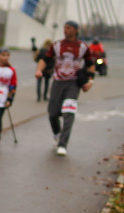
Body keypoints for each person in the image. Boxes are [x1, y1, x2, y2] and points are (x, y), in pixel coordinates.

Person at [35, 21, 95, 157]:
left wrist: (90, 82)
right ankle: (57, 133)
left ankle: (63, 144)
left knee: (69, 113)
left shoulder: (83, 47)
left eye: (68, 28)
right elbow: (44, 59)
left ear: (75, 30)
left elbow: (90, 65)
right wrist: (39, 70)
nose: (65, 30)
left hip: (73, 84)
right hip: (58, 82)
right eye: (64, 28)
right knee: (53, 113)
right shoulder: (56, 45)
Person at [0, 47, 17, 150]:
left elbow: (13, 85)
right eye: (3, 55)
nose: (5, 57)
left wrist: (10, 99)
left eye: (7, 55)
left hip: (2, 99)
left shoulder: (11, 70)